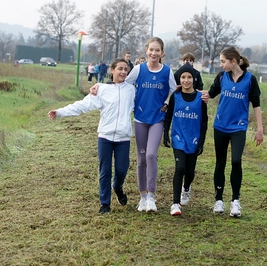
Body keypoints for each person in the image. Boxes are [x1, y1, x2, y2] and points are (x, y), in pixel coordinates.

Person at [90, 37, 177, 213]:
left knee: (152, 155)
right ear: (146, 51)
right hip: (140, 119)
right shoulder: (138, 69)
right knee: (142, 158)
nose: (154, 53)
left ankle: (151, 196)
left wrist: (167, 102)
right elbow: (120, 83)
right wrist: (99, 86)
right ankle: (142, 197)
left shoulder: (167, 71)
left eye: (157, 50)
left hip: (157, 119)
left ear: (162, 53)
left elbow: (174, 89)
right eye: (151, 50)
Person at [48, 59, 135, 215]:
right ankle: (105, 204)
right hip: (105, 137)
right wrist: (60, 112)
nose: (123, 72)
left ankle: (118, 187)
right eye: (120, 69)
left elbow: (145, 104)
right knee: (105, 171)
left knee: (122, 169)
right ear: (112, 70)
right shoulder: (101, 90)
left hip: (123, 138)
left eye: (125, 69)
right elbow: (82, 105)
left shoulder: (131, 90)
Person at [201, 46, 263, 217]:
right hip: (220, 126)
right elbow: (210, 94)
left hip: (239, 128)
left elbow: (256, 105)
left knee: (236, 161)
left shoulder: (250, 80)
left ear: (233, 61)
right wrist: (192, 93)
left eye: (223, 61)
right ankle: (218, 200)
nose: (221, 65)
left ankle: (235, 201)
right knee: (220, 163)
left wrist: (260, 129)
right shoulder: (222, 77)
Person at [163, 63, 208, 216]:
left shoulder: (200, 98)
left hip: (193, 139)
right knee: (180, 168)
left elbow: (204, 122)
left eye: (189, 77)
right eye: (183, 77)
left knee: (189, 172)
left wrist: (201, 142)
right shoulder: (175, 96)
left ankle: (186, 188)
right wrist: (166, 134)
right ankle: (175, 203)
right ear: (179, 79)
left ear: (194, 79)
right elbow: (168, 116)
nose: (186, 80)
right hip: (178, 138)